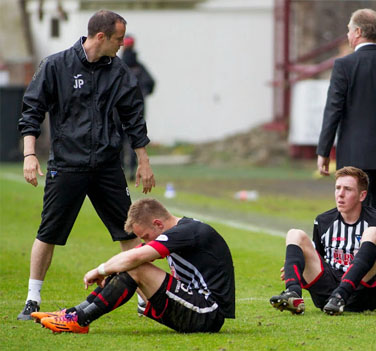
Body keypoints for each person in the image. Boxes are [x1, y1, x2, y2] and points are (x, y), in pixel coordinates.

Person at [17, 10, 156, 320]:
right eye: (118, 39)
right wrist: (29, 155)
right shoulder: (55, 66)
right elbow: (32, 110)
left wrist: (144, 162)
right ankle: (32, 298)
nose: (122, 45)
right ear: (100, 37)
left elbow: (134, 119)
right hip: (67, 165)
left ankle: (147, 298)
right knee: (47, 232)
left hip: (107, 167)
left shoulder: (119, 72)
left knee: (129, 233)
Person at [30, 198, 235, 334]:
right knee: (131, 264)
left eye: (145, 235)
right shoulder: (179, 231)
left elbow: (133, 258)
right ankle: (73, 314)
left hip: (208, 313)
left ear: (158, 223)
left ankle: (79, 320)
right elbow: (131, 256)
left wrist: (99, 270)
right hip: (194, 305)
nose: (145, 241)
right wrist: (110, 268)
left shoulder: (186, 232)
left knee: (136, 266)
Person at [317, 8, 376, 285]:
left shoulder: (344, 66)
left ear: (358, 32)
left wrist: (324, 151)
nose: (347, 34)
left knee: (355, 213)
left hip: (355, 153)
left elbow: (333, 109)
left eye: (349, 29)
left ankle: (358, 270)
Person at [269, 167, 376, 315]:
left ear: (362, 195)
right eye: (337, 188)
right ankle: (292, 293)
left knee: (373, 232)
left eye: (348, 189)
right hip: (328, 294)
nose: (340, 194)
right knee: (294, 234)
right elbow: (316, 256)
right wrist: (293, 265)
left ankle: (341, 295)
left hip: (362, 292)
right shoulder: (323, 221)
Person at [116, 34, 156, 181]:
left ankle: (121, 170)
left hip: (117, 112)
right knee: (135, 141)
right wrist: (141, 96)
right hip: (135, 112)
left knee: (118, 141)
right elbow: (150, 84)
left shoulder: (117, 65)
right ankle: (132, 170)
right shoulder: (139, 67)